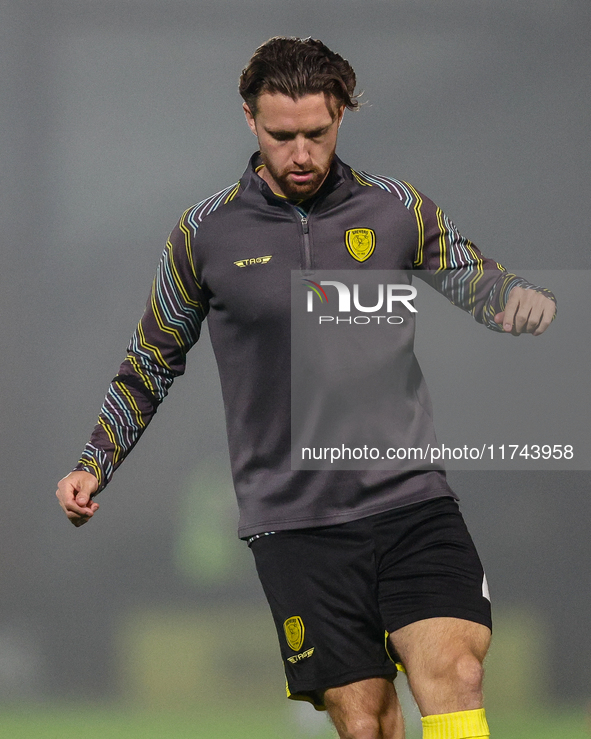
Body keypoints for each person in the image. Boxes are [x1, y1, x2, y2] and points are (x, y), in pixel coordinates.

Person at [55, 37, 556, 739]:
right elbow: (151, 359)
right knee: (365, 721)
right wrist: (93, 460)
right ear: (249, 121)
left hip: (408, 498)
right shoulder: (203, 234)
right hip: (295, 520)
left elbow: (474, 276)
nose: (299, 154)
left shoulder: (397, 208)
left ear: (342, 117)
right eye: (280, 135)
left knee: (455, 672)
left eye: (315, 135)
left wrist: (516, 300)